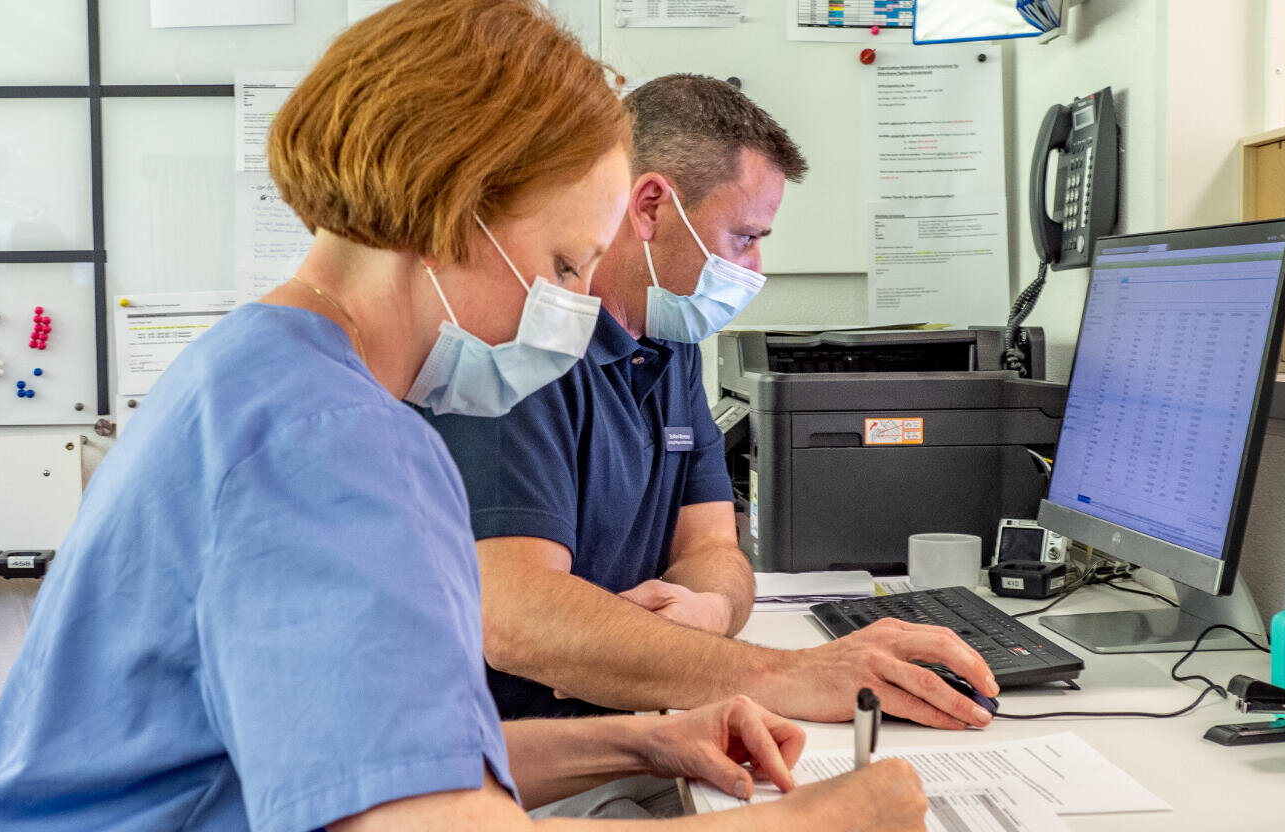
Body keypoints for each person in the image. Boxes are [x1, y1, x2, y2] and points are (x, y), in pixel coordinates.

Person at [0, 6, 930, 832]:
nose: (570, 307)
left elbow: (358, 770)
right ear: (463, 212)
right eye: (563, 263)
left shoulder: (251, 376)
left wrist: (642, 740)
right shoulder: (339, 447)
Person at [427, 76, 1000, 740]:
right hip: (524, 757)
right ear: (650, 206)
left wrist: (707, 611)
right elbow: (519, 622)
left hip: (644, 715)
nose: (756, 266)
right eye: (743, 236)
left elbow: (713, 546)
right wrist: (786, 674)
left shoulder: (670, 346)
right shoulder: (520, 355)